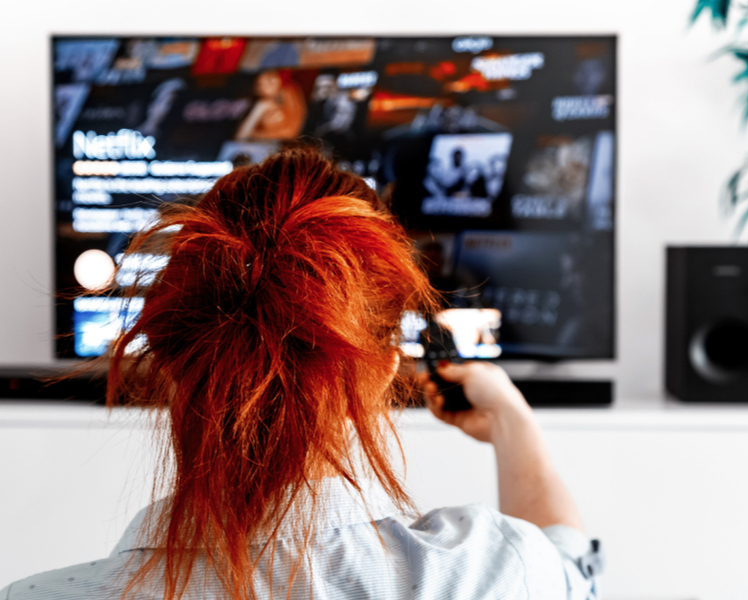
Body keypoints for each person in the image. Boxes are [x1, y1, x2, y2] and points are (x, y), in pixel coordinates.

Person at [0, 146, 602, 600]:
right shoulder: (491, 574)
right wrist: (511, 421)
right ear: (383, 367)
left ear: (170, 362)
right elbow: (574, 570)